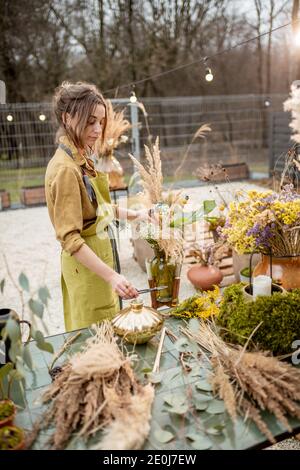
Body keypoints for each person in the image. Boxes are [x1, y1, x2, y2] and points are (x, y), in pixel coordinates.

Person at [45, 81, 151, 331]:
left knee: (108, 333)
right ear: (67, 118)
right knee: (93, 341)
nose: (97, 129)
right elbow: (70, 239)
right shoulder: (65, 170)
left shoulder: (81, 158)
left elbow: (99, 208)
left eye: (100, 122)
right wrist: (112, 276)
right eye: (90, 121)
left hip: (99, 262)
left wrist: (138, 214)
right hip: (87, 269)